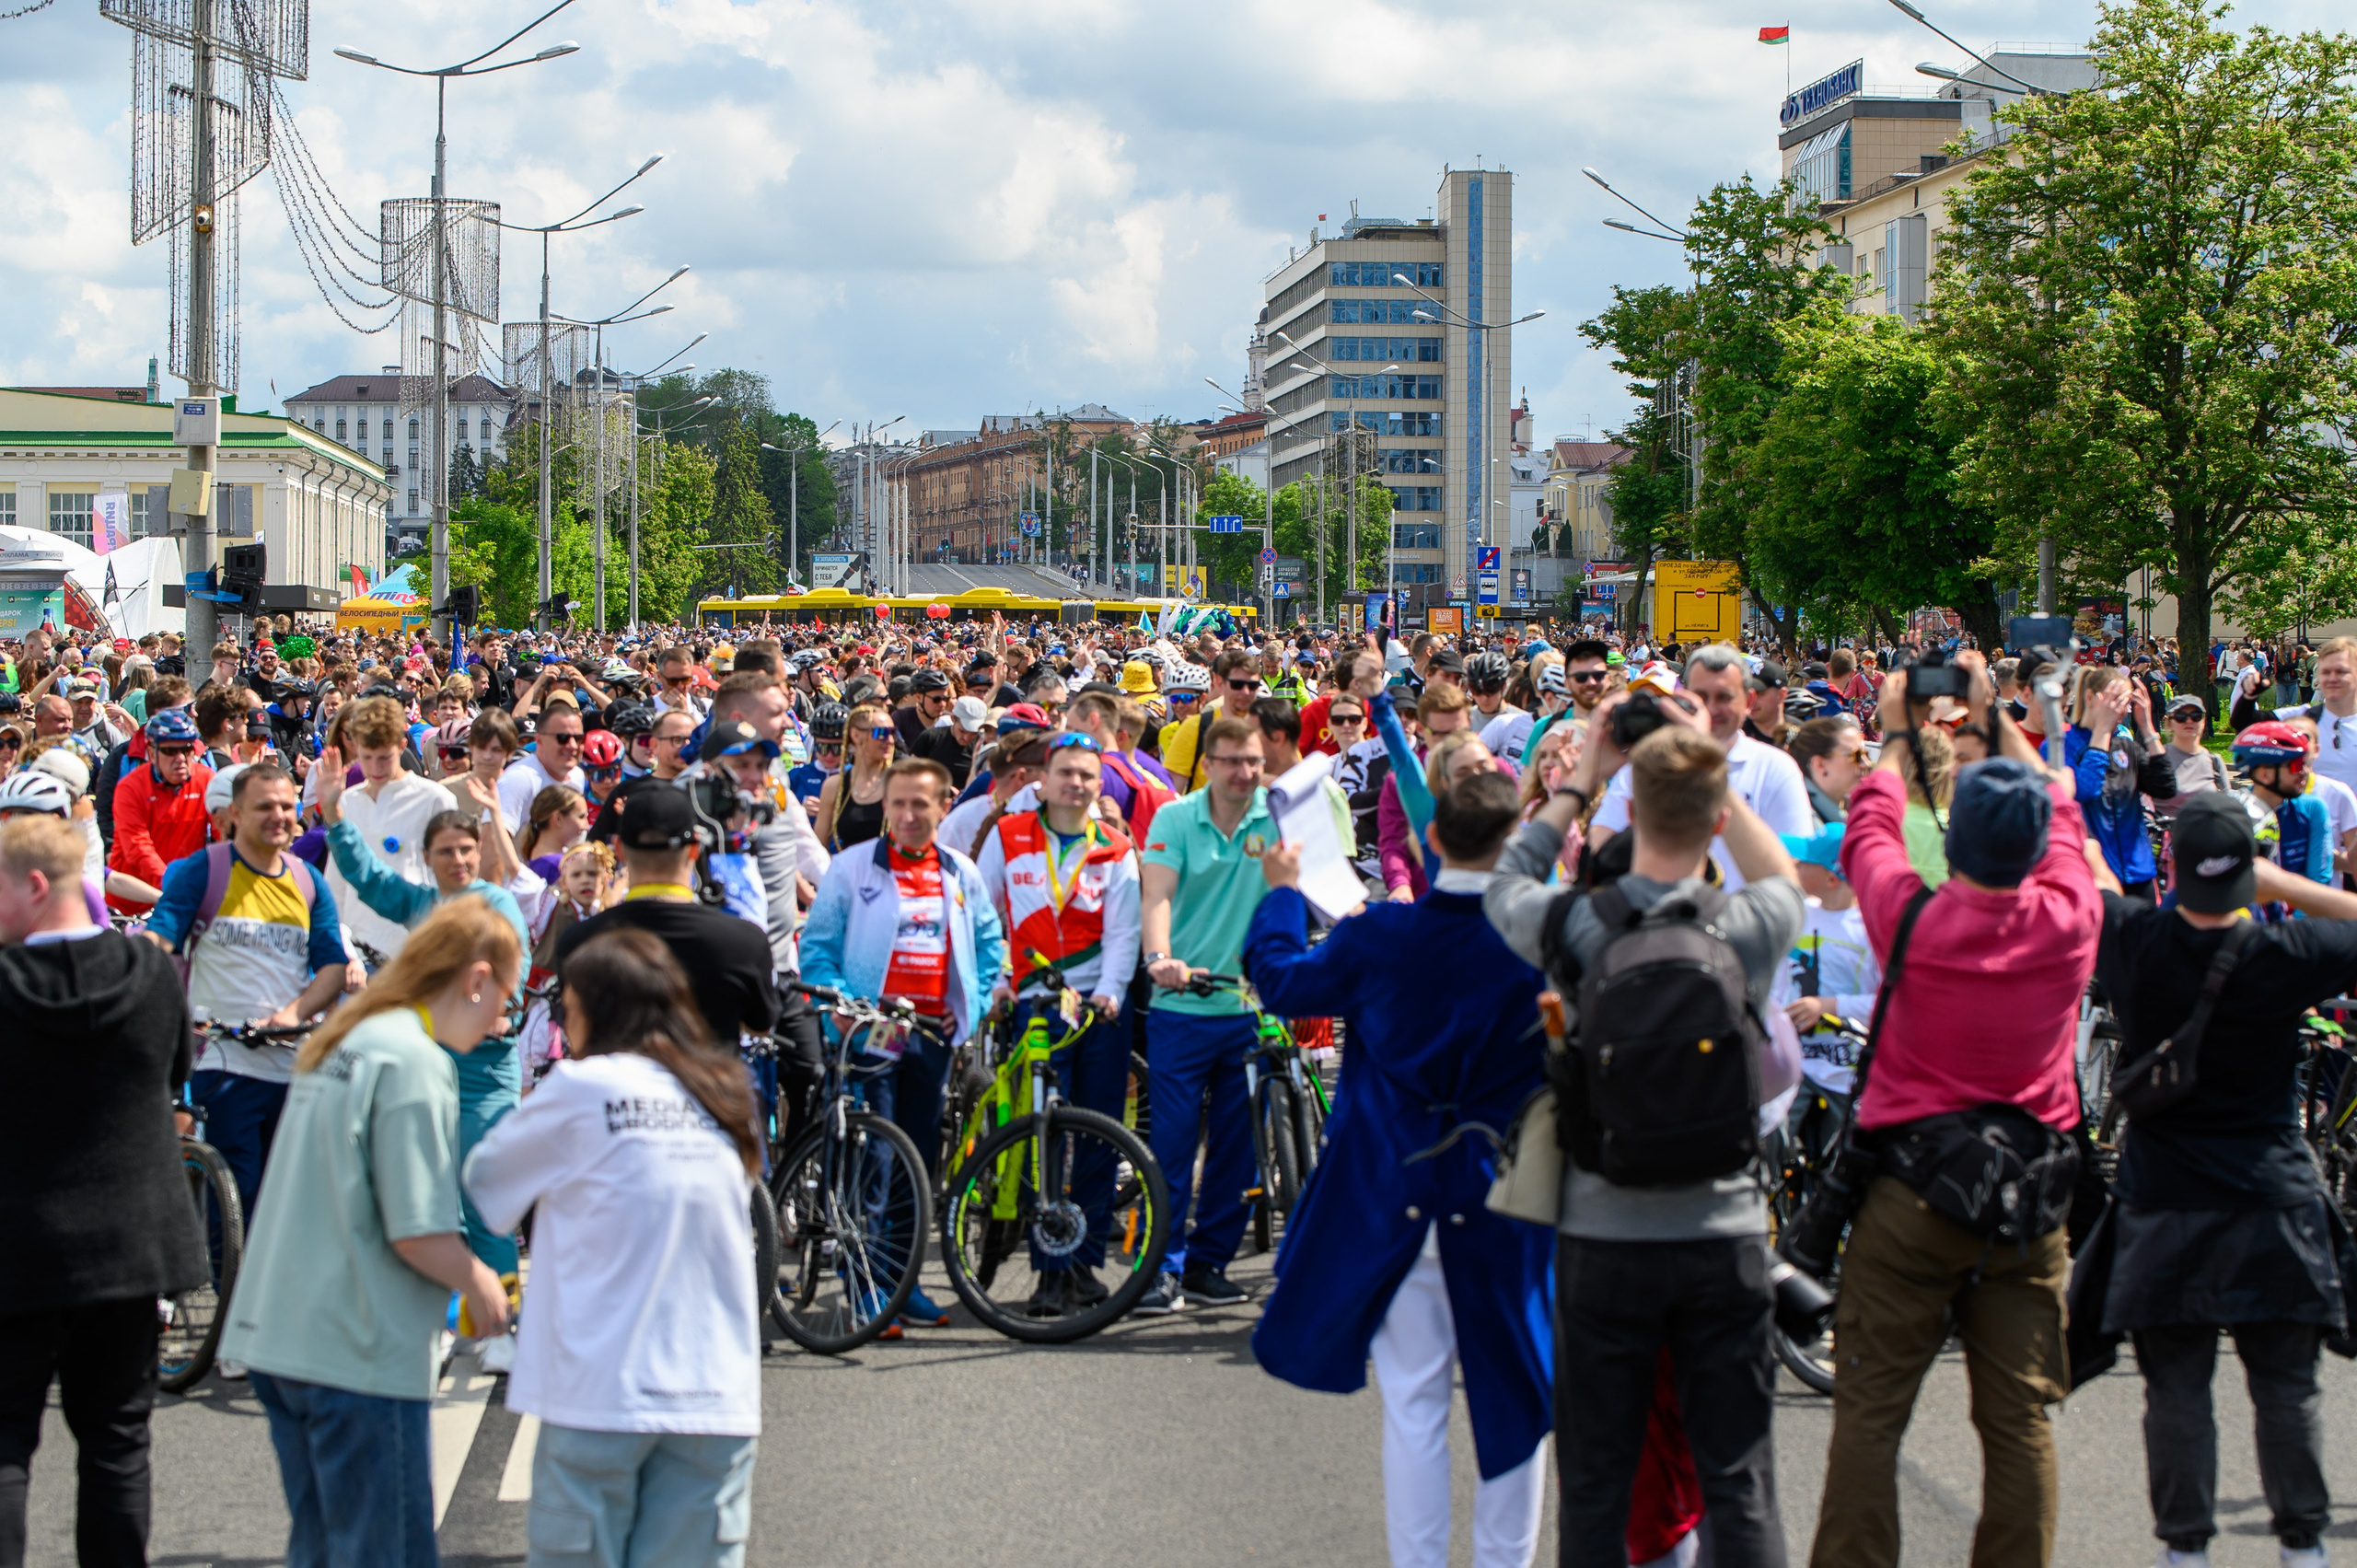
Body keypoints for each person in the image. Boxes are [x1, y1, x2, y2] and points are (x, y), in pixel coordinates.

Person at [1483, 700, 1804, 1568]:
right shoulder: (1741, 933)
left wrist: (1577, 784)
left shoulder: (1579, 929)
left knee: (1597, 1480)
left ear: (1629, 805)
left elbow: (1507, 883)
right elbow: (1781, 881)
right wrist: (1716, 783)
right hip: (1724, 1233)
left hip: (1604, 1231)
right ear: (1717, 816)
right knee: (1741, 1479)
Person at [1808, 656, 2097, 1568]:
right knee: (2019, 1422)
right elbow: (2060, 806)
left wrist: (1896, 730)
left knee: (1869, 1414)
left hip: (1908, 1194)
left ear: (1958, 837)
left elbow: (1872, 826)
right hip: (2027, 1201)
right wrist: (1991, 712)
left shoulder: (1915, 920)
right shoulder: (2067, 919)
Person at [1245, 772, 1552, 1568]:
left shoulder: (1380, 935)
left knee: (1414, 1405)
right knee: (1517, 1395)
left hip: (1395, 1190)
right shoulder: (1542, 937)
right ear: (1514, 840)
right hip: (1507, 1198)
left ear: (1431, 842)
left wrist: (1281, 891)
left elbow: (1280, 980)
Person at [2072, 795, 2357, 1568]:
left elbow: (2089, 876)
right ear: (2247, 874)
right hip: (2272, 1195)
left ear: (2170, 868)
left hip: (2164, 1198)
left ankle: (2185, 1550)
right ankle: (2304, 1544)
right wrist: (2279, 887)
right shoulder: (2285, 953)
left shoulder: (2133, 941)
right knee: (2287, 1384)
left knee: (2176, 1387)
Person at [220, 897, 517, 1568]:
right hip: (358, 1347)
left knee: (322, 1545)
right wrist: (482, 1285)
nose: (505, 1015)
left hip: (280, 1333)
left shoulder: (350, 1037)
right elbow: (418, 1228)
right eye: (506, 991)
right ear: (475, 977)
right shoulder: (414, 1060)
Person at [465, 930, 764, 1568]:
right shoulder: (722, 1092)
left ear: (594, 1010)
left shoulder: (579, 1087)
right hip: (717, 1396)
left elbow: (486, 1187)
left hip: (599, 1390)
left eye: (566, 1005)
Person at [0, 813, 206, 1568]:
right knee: (118, 1441)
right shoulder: (150, 974)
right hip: (131, 1243)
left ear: (30, 885)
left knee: (7, 1443)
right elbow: (174, 1082)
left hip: (18, 1243)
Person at [799, 759, 1004, 1330]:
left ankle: (901, 1281)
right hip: (868, 1032)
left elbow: (989, 946)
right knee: (875, 1161)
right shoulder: (850, 867)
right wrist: (840, 1007)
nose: (909, 815)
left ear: (944, 807)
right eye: (899, 804)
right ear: (885, 807)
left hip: (932, 1033)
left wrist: (977, 1005)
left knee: (917, 1165)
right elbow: (817, 949)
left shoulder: (960, 871)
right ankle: (866, 1286)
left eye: (922, 804)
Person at [318, 750, 528, 1284]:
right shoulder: (421, 904)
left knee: (484, 1196)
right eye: (445, 852)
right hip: (429, 1070)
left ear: (478, 853)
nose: (458, 860)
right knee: (430, 1197)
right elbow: (366, 877)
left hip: (484, 1072)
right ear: (427, 857)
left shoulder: (494, 904)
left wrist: (502, 1006)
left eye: (465, 850)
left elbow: (512, 966)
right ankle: (457, 1308)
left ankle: (500, 1320)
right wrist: (334, 816)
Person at [973, 734, 1141, 1318]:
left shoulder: (1115, 849)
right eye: (1066, 772)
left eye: (1087, 776)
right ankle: (1047, 1270)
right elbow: (984, 915)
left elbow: (1124, 932)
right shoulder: (1009, 835)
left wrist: (1112, 991)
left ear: (1099, 784)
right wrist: (996, 982)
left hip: (1096, 1008)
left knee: (1098, 1136)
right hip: (1034, 1004)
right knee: (1039, 1134)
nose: (1076, 784)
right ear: (1043, 778)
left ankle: (1084, 1264)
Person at [142, 763, 350, 1229]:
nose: (279, 816)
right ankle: (232, 1297)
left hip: (290, 1062)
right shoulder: (204, 871)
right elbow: (163, 938)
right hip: (224, 1061)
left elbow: (333, 966)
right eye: (264, 807)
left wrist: (290, 1014)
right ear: (234, 814)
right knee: (239, 1199)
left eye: (286, 805)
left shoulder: (307, 880)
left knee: (287, 1204)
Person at [1136, 715, 1276, 1314]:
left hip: (1249, 1005)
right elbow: (1158, 894)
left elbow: (1299, 885)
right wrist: (1161, 956)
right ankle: (1158, 1269)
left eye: (1254, 762)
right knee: (1169, 1145)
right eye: (1232, 762)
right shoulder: (1175, 817)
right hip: (1182, 1005)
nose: (1244, 773)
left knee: (1237, 1148)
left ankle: (1208, 1263)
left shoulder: (1278, 814)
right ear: (1209, 763)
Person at [1586, 645, 1813, 889]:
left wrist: (1705, 758)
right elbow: (1600, 845)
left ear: (1748, 701)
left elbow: (1795, 870)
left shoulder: (1776, 768)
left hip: (1745, 920)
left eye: (1724, 697)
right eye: (1701, 697)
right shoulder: (1651, 760)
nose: (1712, 708)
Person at [322, 695, 459, 963]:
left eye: (384, 758)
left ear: (402, 745)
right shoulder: (347, 801)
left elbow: (452, 880)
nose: (375, 768)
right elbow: (336, 880)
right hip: (357, 953)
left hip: (416, 952)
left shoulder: (435, 799)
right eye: (367, 757)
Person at [2066, 667, 2175, 900]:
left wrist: (2147, 728)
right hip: (2094, 876)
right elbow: (2086, 789)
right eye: (2115, 701)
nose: (2122, 711)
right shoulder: (2063, 745)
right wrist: (2102, 733)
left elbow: (2165, 787)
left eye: (2126, 703)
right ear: (2089, 698)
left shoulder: (2124, 746)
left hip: (2138, 872)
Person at [106, 707, 214, 916]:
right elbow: (137, 847)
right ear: (152, 753)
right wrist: (172, 884)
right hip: (131, 903)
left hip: (184, 897)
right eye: (170, 751)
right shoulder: (130, 787)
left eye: (187, 749)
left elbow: (223, 833)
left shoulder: (206, 780)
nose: (181, 758)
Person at [2234, 722, 2337, 892]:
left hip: (2301, 913)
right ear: (2265, 775)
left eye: (2305, 762)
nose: (2304, 771)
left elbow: (2319, 880)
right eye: (2296, 765)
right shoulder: (2234, 813)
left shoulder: (2313, 809)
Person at [815, 702, 894, 852]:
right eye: (881, 733)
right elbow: (819, 850)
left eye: (893, 733)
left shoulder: (898, 783)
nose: (889, 740)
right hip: (848, 871)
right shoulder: (834, 786)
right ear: (856, 735)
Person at [2154, 694, 2232, 817]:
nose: (2189, 721)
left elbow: (2229, 804)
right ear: (2169, 722)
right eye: (2181, 716)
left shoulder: (2213, 761)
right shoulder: (2156, 759)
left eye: (2196, 716)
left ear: (2204, 721)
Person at [1787, 715, 1866, 827]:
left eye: (1865, 754)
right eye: (1855, 755)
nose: (1865, 764)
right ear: (1820, 765)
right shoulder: (1802, 822)